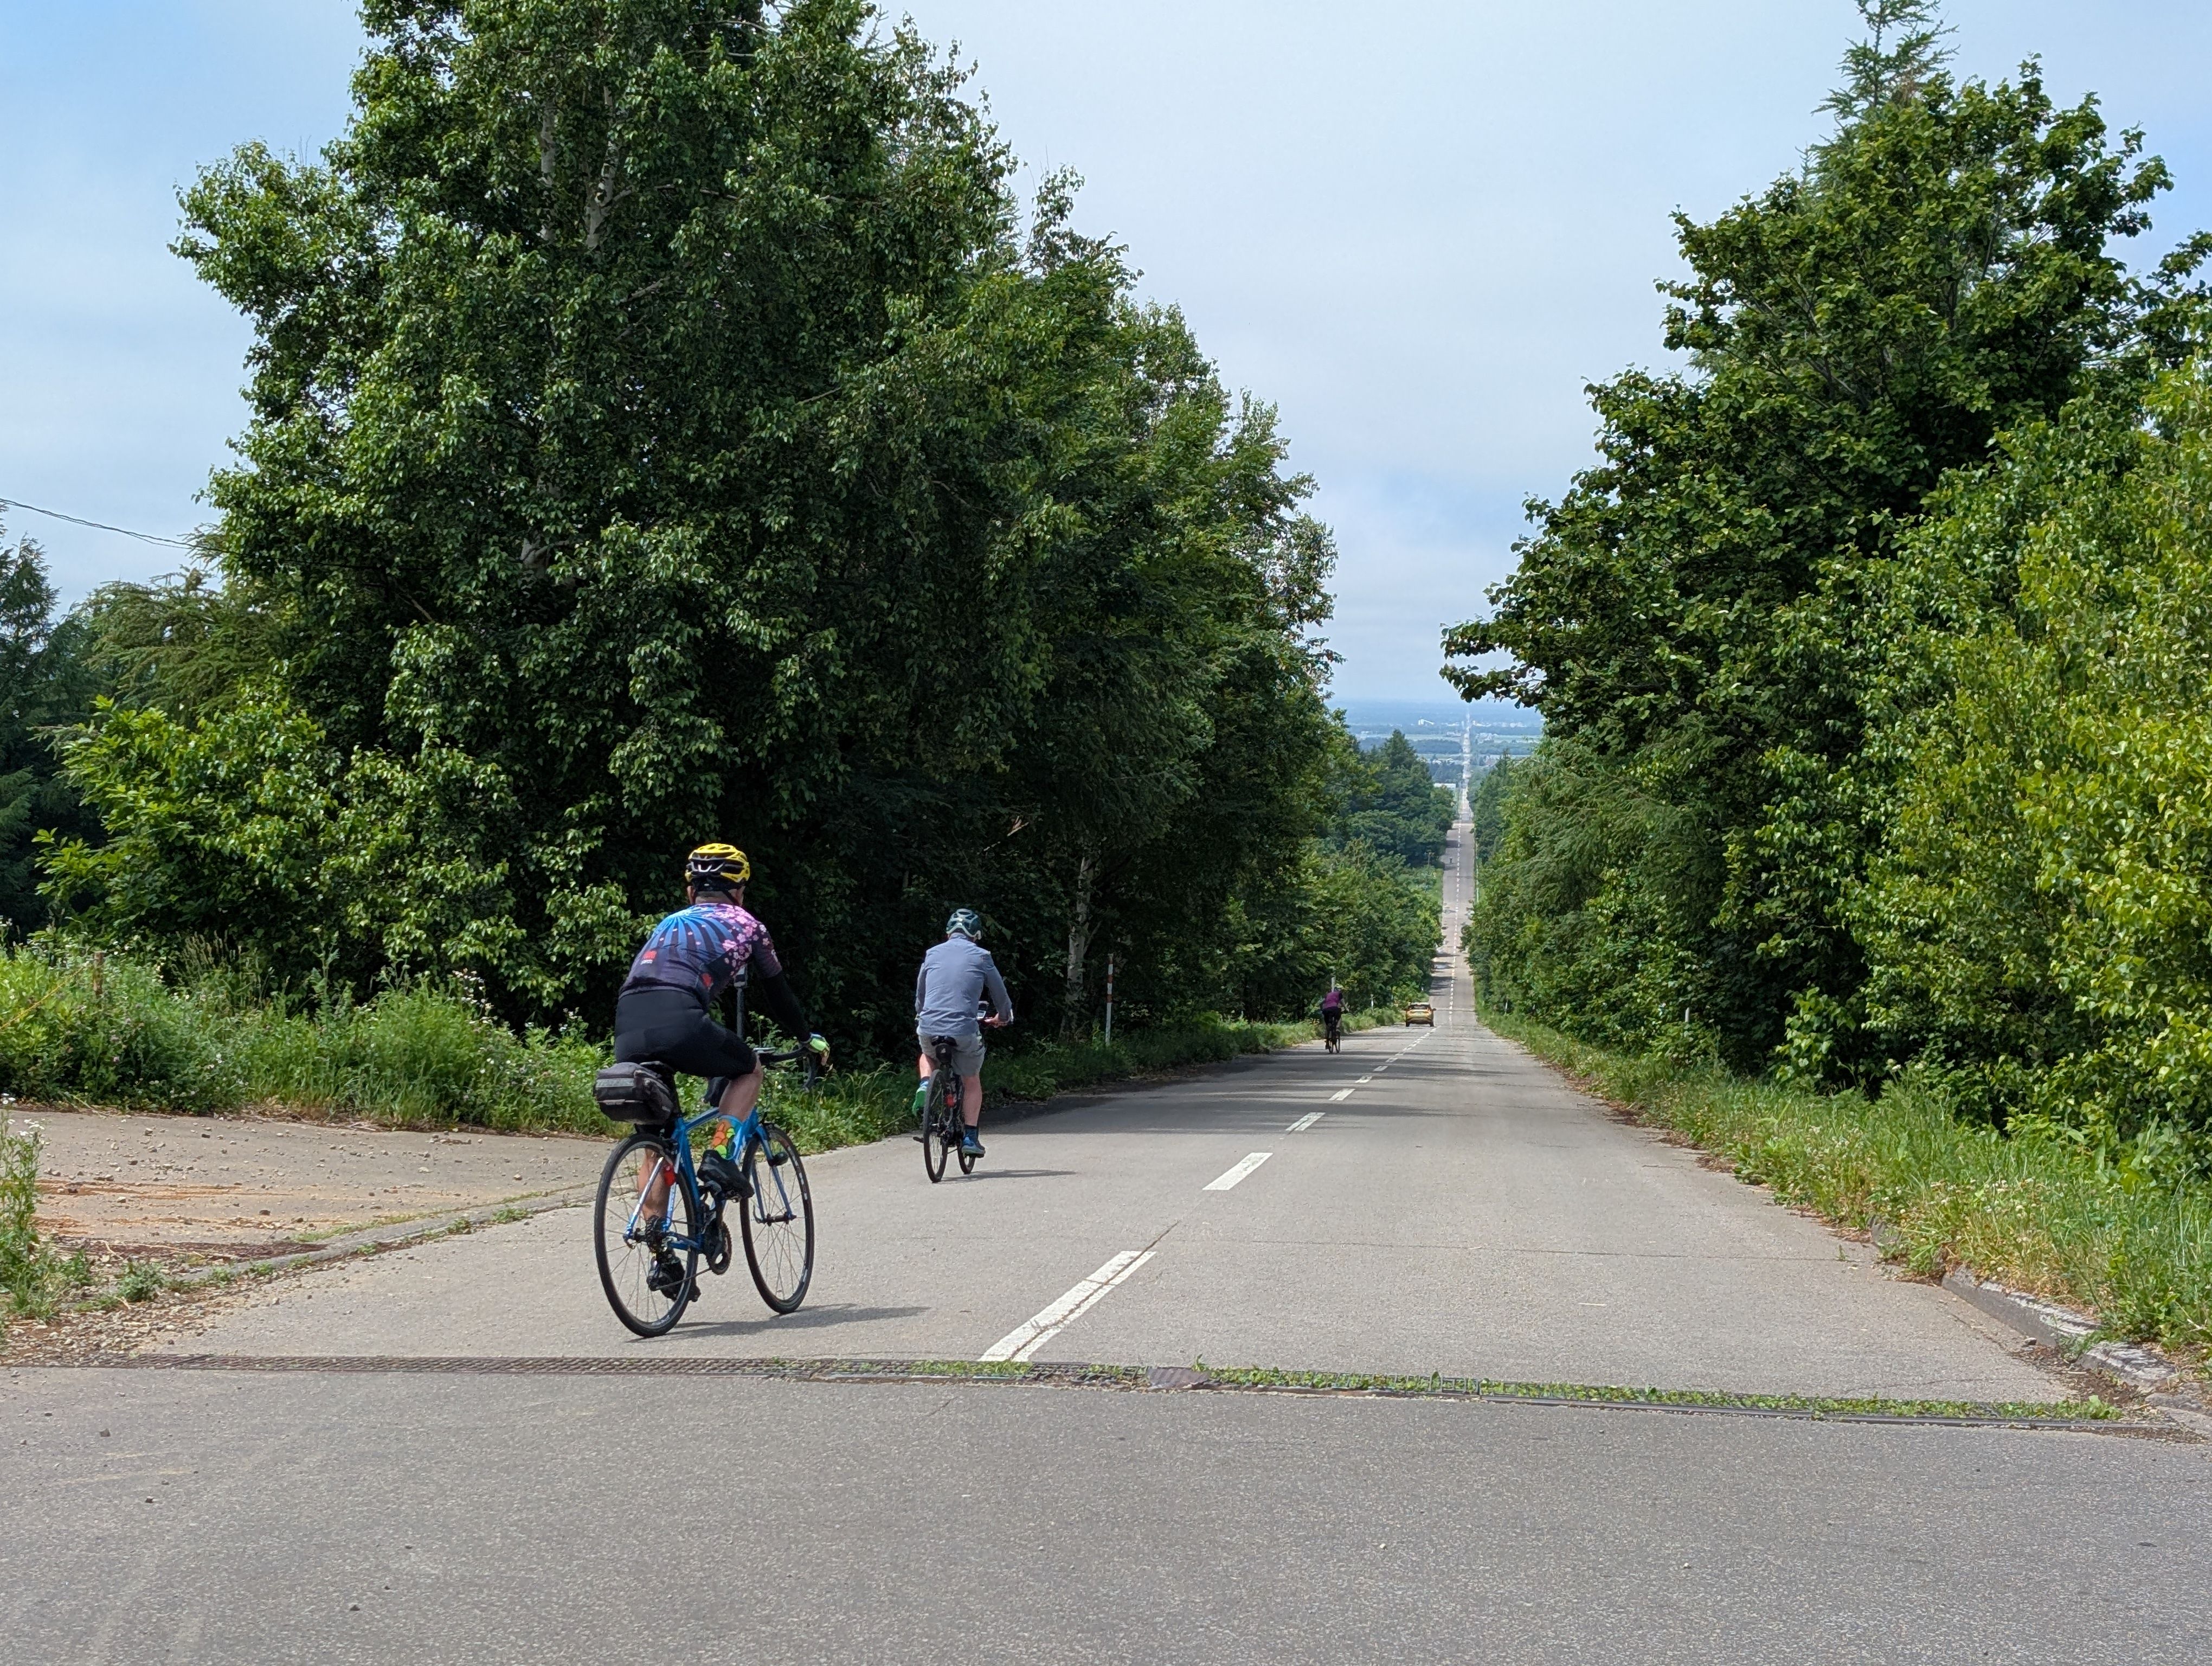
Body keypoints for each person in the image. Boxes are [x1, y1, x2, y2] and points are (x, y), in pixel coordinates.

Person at [614, 843, 827, 1285]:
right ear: (739, 891)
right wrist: (807, 1038)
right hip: (680, 1018)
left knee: (655, 1143)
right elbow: (778, 994)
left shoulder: (669, 922)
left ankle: (662, 1255)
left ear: (692, 890)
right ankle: (720, 1153)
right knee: (748, 1069)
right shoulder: (747, 925)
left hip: (629, 1021)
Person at [914, 908, 1013, 1157]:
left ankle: (925, 1085)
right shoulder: (982, 957)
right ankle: (970, 1137)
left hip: (929, 1025)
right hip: (964, 1030)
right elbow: (1000, 994)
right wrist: (1003, 1016)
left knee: (927, 1055)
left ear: (949, 933)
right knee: (971, 1079)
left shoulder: (932, 953)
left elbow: (921, 994)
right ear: (975, 935)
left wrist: (921, 1014)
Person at [1320, 983, 1345, 1049]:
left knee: (1328, 1025)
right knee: (1339, 1016)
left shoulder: (1328, 994)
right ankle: (1337, 1028)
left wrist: (1322, 1010)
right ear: (1340, 990)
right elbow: (1343, 1003)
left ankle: (1327, 1043)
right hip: (1334, 1009)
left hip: (1326, 1010)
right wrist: (1346, 1009)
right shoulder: (1340, 994)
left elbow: (1322, 1002)